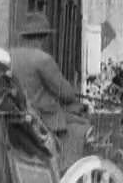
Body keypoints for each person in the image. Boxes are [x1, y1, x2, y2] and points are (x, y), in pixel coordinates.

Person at [9, 12, 89, 172]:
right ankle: (66, 170)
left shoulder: (9, 56)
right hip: (43, 119)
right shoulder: (43, 60)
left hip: (16, 117)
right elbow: (66, 95)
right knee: (84, 126)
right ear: (42, 37)